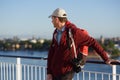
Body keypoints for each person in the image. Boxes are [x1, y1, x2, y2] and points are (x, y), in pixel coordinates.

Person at [47, 8, 119, 80]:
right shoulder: (56, 32)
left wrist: (106, 58)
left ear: (56, 19)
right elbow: (51, 53)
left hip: (65, 72)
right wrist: (49, 73)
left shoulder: (74, 32)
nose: (51, 21)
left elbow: (93, 42)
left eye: (52, 18)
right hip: (54, 73)